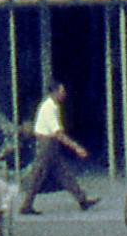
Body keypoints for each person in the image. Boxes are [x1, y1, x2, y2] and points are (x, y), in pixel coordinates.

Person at [18, 82, 97, 214]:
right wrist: (76, 147)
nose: (64, 93)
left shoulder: (52, 106)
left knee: (63, 173)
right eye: (62, 91)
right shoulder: (49, 108)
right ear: (55, 92)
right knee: (38, 175)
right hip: (47, 144)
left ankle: (82, 200)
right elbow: (58, 133)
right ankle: (26, 205)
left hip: (49, 144)